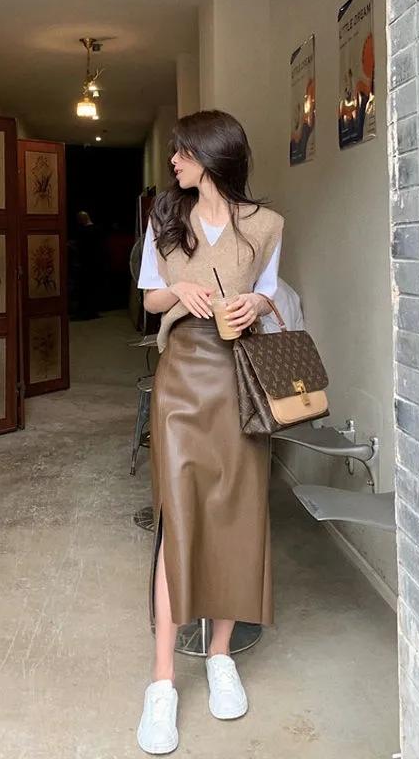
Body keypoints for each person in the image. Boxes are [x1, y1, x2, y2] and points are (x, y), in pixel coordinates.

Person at [136, 110, 283, 754]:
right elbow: (149, 297)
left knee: (235, 515)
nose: (174, 161)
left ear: (213, 155)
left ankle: (221, 655)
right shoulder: (167, 220)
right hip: (182, 378)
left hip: (240, 379)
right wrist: (183, 292)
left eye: (183, 151)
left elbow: (274, 296)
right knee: (179, 518)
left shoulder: (266, 224)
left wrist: (256, 303)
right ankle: (163, 683)